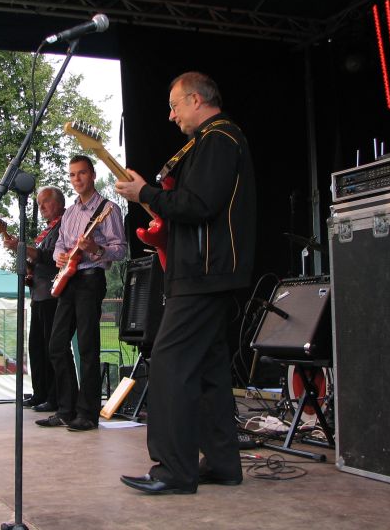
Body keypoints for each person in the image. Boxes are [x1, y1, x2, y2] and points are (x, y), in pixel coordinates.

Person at [115, 71, 256, 494]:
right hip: (206, 271)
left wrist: (145, 195)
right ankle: (222, 464)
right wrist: (151, 198)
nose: (171, 115)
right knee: (210, 371)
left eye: (175, 106)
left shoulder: (219, 138)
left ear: (196, 100)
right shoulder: (211, 141)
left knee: (170, 364)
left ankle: (173, 470)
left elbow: (198, 205)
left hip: (203, 272)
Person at [36, 155, 126, 432]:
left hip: (90, 279)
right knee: (56, 345)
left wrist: (95, 249)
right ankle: (67, 409)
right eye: (73, 175)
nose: (77, 179)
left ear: (93, 175)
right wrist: (60, 257)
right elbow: (59, 245)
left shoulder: (108, 208)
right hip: (69, 281)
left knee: (87, 347)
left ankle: (87, 414)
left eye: (82, 173)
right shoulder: (70, 213)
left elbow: (120, 249)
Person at [3, 186, 66, 412]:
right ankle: (40, 393)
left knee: (52, 348)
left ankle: (54, 396)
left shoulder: (63, 226)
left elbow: (52, 258)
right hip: (39, 295)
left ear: (59, 202)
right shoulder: (48, 230)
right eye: (39, 203)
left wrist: (22, 248)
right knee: (36, 348)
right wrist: (29, 270)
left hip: (53, 295)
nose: (41, 207)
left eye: (45, 202)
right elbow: (40, 263)